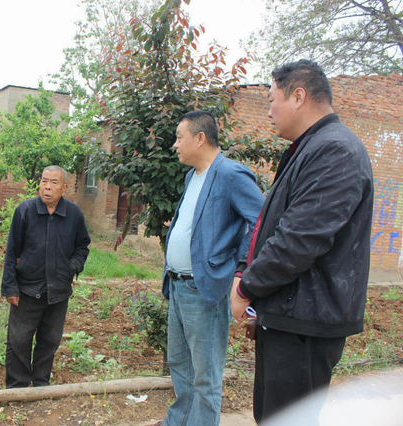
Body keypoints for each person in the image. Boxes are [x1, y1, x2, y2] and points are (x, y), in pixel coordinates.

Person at [230, 59, 374, 424]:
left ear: (298, 96)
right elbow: (269, 225)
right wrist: (252, 285)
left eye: (271, 100)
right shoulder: (307, 148)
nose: (268, 112)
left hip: (306, 322)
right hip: (290, 315)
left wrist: (247, 288)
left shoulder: (334, 150)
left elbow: (298, 240)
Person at [157, 111, 264, 426]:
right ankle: (179, 421)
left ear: (200, 138)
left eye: (180, 137)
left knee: (205, 375)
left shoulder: (230, 174)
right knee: (180, 364)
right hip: (178, 285)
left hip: (204, 289)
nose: (175, 144)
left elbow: (261, 223)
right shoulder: (192, 176)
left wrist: (238, 268)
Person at [1, 165, 91, 388]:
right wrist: (10, 287)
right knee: (19, 339)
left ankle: (41, 383)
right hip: (27, 289)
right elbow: (12, 251)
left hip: (58, 290)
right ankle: (17, 386)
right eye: (44, 181)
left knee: (50, 339)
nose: (47, 187)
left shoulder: (73, 214)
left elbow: (82, 246)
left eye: (53, 182)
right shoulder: (25, 211)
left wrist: (72, 267)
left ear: (64, 188)